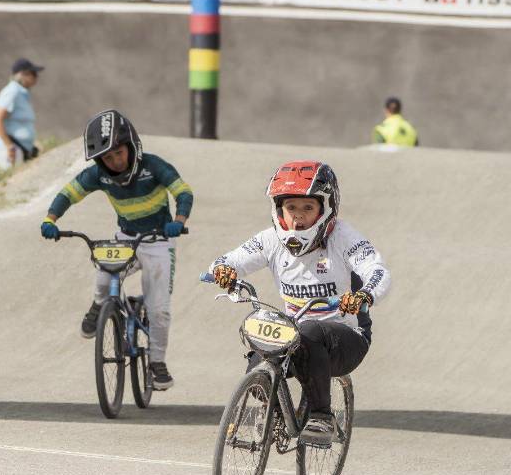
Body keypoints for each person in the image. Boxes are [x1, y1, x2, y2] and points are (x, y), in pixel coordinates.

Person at [210, 161, 390, 444]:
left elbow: (377, 270)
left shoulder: (344, 237)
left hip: (347, 338)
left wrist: (364, 295)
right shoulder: (270, 240)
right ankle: (278, 414)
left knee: (310, 331)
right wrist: (223, 270)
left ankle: (322, 417)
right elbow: (229, 260)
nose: (298, 216)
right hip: (296, 335)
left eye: (308, 207)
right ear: (278, 209)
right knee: (259, 360)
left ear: (326, 208)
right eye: (291, 207)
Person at [40, 110, 193, 391]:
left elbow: (183, 192)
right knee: (103, 279)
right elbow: (68, 194)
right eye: (107, 158)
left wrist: (179, 222)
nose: (115, 162)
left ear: (132, 146)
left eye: (119, 153)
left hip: (159, 240)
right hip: (125, 239)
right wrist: (51, 219)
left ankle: (157, 363)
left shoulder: (154, 166)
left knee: (159, 310)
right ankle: (100, 306)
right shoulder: (99, 175)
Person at [0, 57, 44, 170]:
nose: (36, 77)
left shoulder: (21, 93)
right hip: (10, 151)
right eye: (33, 73)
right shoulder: (12, 92)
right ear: (23, 74)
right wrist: (9, 146)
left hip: (19, 150)